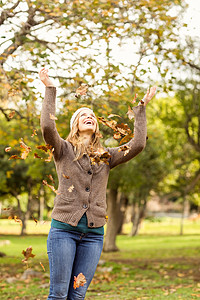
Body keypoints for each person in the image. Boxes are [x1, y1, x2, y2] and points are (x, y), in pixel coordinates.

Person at [39, 67, 156, 300]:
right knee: (60, 294)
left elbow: (138, 145)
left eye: (92, 115)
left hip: (93, 235)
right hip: (64, 231)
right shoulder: (62, 149)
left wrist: (140, 108)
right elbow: (47, 128)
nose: (89, 116)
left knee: (78, 294)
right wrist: (50, 89)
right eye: (83, 115)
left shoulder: (107, 156)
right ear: (75, 125)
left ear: (97, 126)